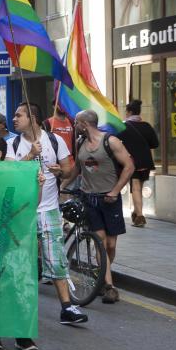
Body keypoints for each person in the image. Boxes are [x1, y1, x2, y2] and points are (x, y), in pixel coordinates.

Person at [7, 102, 88, 327]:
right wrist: (30, 155)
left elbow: (69, 170)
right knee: (21, 260)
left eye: (18, 115)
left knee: (56, 259)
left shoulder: (55, 140)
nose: (14, 119)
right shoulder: (12, 144)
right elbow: (9, 172)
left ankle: (67, 307)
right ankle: (19, 306)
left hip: (49, 209)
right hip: (22, 212)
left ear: (32, 118)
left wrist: (60, 171)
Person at [0, 133, 44, 350]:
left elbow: (31, 204)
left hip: (14, 237)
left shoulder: (15, 176)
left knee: (18, 283)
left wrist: (38, 186)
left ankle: (22, 335)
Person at [62, 109, 134, 304]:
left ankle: (101, 272)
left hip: (109, 199)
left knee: (110, 245)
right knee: (99, 242)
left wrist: (115, 191)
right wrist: (63, 185)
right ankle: (109, 286)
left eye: (77, 122)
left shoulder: (111, 141)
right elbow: (77, 169)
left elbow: (129, 166)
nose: (75, 126)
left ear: (85, 124)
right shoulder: (80, 143)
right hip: (89, 199)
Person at [116, 99, 159, 227]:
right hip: (146, 161)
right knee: (138, 187)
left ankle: (139, 216)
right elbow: (155, 144)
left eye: (126, 111)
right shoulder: (147, 126)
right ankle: (136, 212)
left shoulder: (123, 127)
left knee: (135, 187)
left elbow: (116, 143)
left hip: (132, 161)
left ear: (129, 112)